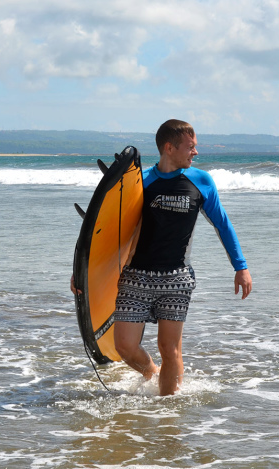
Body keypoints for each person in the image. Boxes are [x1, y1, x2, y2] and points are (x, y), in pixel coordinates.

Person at [71, 119, 252, 396]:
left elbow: (223, 224)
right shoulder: (140, 183)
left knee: (170, 349)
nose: (195, 152)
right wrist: (82, 271)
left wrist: (241, 267)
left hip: (177, 278)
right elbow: (107, 231)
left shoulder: (201, 182)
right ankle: (150, 372)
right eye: (190, 147)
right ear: (169, 148)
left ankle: (166, 416)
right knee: (125, 347)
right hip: (136, 276)